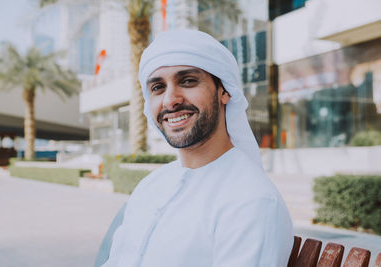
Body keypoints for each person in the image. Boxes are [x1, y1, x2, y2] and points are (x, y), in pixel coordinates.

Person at [101, 29, 293, 267]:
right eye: (157, 88)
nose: (171, 100)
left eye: (188, 81)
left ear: (224, 91)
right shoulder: (151, 185)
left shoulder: (252, 201)